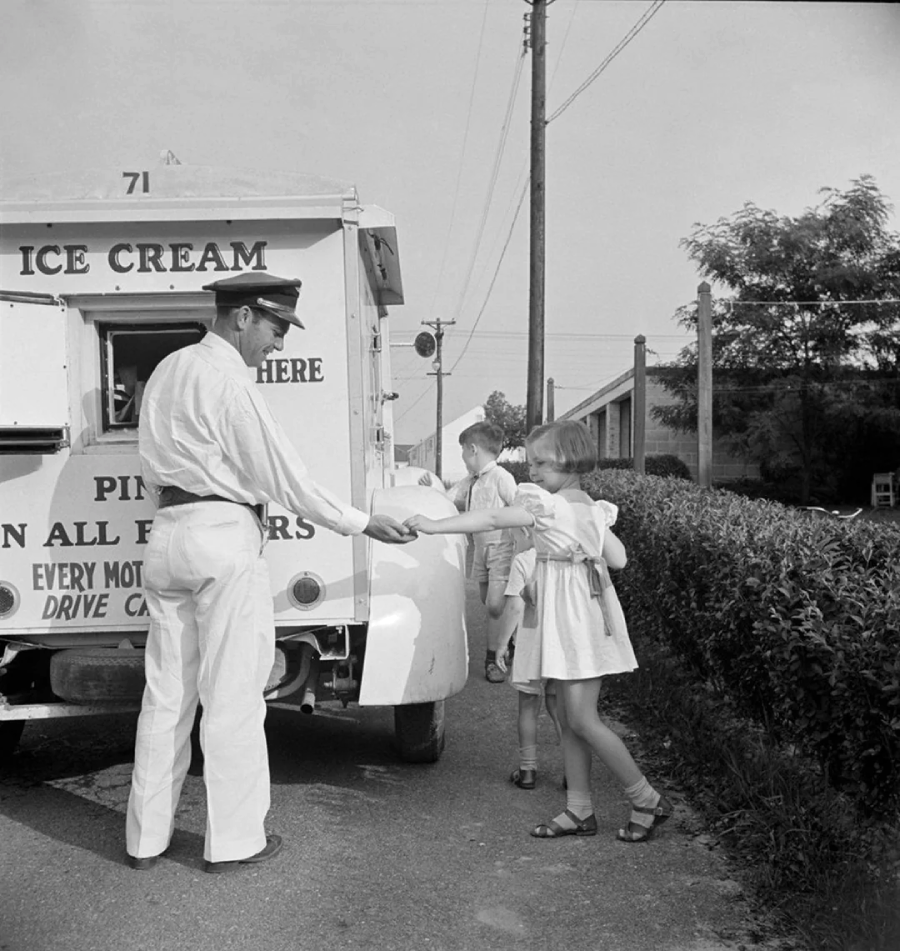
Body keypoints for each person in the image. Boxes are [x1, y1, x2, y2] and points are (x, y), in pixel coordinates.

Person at [126, 272, 413, 874]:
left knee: (165, 695)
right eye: (276, 327)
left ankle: (144, 841)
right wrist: (362, 522)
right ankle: (233, 842)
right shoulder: (228, 380)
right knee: (231, 696)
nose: (278, 343)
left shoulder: (169, 369)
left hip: (168, 533)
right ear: (242, 317)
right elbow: (286, 478)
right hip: (222, 536)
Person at [406, 420, 673, 843]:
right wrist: (581, 549)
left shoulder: (550, 505)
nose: (533, 470)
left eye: (542, 462)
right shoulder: (589, 506)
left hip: (576, 621)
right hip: (582, 614)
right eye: (531, 461)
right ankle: (579, 810)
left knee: (583, 719)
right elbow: (618, 559)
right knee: (568, 718)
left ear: (571, 460)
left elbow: (493, 515)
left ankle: (646, 798)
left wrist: (435, 525)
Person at [451, 421, 517, 683]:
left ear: (473, 449)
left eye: (464, 452)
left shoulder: (502, 477)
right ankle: (510, 636)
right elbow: (454, 500)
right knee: (485, 599)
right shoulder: (471, 481)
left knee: (494, 606)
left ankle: (494, 660)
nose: (464, 458)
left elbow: (518, 504)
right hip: (480, 548)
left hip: (501, 547)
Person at [498, 542, 563, 791]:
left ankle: (527, 770)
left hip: (531, 643)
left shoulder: (524, 560)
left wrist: (502, 644)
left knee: (527, 705)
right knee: (560, 708)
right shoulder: (567, 558)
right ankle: (572, 772)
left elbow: (515, 607)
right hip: (561, 645)